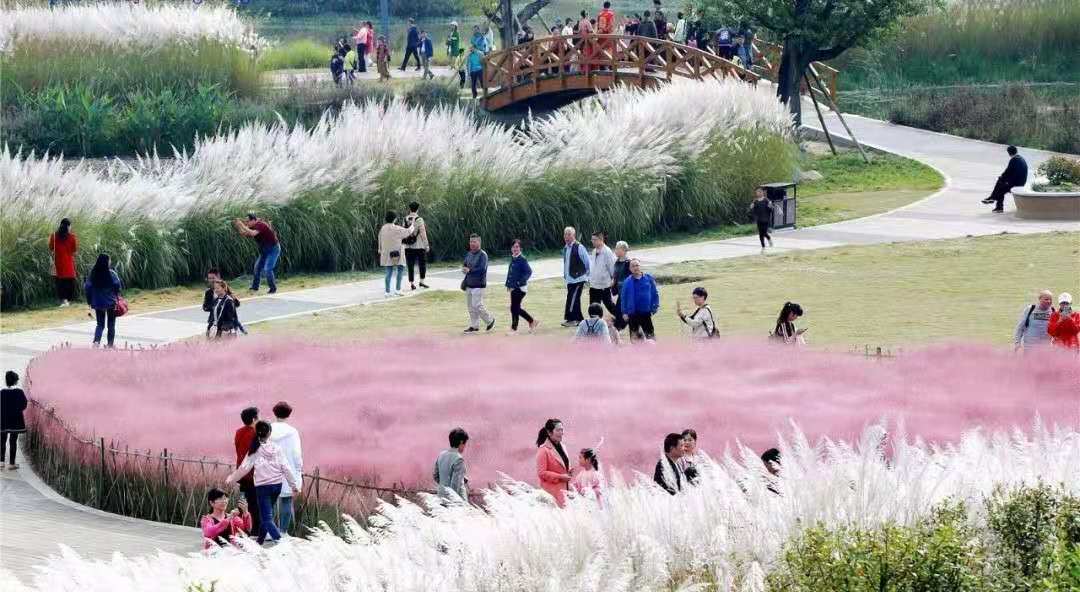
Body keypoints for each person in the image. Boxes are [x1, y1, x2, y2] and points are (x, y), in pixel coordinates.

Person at [225, 420, 299, 545]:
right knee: (266, 515)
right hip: (277, 486)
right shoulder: (277, 448)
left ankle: (281, 543)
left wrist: (231, 478)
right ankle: (259, 541)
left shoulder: (255, 450)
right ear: (269, 433)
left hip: (263, 488)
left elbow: (244, 468)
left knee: (266, 518)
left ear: (256, 433)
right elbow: (285, 467)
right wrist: (294, 485)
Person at [268, 401, 302, 535]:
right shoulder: (293, 432)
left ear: (274, 413)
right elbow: (296, 453)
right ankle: (282, 532)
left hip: (269, 470)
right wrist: (298, 470)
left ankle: (269, 531)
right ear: (288, 414)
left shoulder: (267, 429)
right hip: (288, 470)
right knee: (286, 500)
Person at [233, 213, 280, 294]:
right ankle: (255, 287)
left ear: (254, 220)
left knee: (268, 269)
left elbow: (253, 233)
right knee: (257, 268)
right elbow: (243, 233)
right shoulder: (252, 226)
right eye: (246, 221)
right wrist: (238, 226)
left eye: (248, 221)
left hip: (273, 249)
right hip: (264, 250)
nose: (247, 223)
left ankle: (273, 288)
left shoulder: (260, 225)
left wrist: (242, 225)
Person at [233, 406, 261, 538]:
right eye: (258, 416)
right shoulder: (256, 433)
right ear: (254, 418)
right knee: (255, 503)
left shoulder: (238, 432)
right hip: (253, 474)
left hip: (241, 472)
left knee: (243, 501)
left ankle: (240, 528)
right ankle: (255, 531)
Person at [84, 253, 122, 348]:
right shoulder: (112, 274)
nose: (110, 262)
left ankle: (96, 342)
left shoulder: (93, 274)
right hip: (111, 302)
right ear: (106, 262)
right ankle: (110, 344)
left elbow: (87, 287)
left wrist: (90, 301)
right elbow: (118, 285)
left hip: (98, 302)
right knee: (111, 324)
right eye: (109, 260)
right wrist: (116, 294)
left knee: (100, 324)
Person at [378, 211, 417, 297]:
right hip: (397, 253)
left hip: (386, 253)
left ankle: (387, 292)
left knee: (388, 272)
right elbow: (408, 231)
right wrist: (413, 223)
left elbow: (379, 239)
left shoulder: (383, 228)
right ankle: (398, 289)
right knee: (400, 269)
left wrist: (380, 249)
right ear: (394, 219)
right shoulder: (397, 228)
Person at [462, 234, 496, 334]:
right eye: (471, 241)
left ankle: (490, 321)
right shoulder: (469, 254)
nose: (472, 243)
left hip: (478, 284)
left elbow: (482, 269)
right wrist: (464, 268)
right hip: (469, 284)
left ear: (479, 243)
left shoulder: (483, 255)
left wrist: (469, 270)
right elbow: (465, 264)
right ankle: (474, 326)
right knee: (470, 307)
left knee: (477, 305)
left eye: (474, 242)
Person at [620, 259, 660, 342]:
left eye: (637, 265)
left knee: (651, 337)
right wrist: (624, 312)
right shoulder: (627, 282)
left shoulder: (648, 278)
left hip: (646, 313)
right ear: (630, 269)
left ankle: (654, 353)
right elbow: (623, 298)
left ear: (640, 266)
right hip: (632, 314)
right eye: (633, 266)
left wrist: (655, 307)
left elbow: (655, 294)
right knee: (635, 340)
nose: (635, 268)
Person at [535, 419, 572, 507]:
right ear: (549, 432)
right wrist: (560, 477)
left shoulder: (563, 447)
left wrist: (569, 471)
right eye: (558, 430)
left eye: (562, 430)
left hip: (564, 492)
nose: (561, 432)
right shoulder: (543, 450)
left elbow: (562, 466)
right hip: (551, 495)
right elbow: (541, 473)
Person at [981, 145, 1028, 213]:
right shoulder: (1021, 158)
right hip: (1021, 182)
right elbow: (1011, 173)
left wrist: (1003, 179)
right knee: (1000, 184)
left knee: (1000, 187)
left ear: (1009, 153)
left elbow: (1008, 172)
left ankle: (996, 203)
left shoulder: (1014, 160)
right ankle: (993, 199)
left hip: (1016, 183)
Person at [505, 239, 538, 334]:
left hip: (520, 288)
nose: (515, 249)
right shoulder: (513, 258)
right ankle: (532, 321)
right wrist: (509, 285)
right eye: (513, 247)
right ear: (511, 248)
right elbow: (511, 273)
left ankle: (514, 329)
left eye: (517, 247)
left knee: (514, 308)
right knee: (515, 308)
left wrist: (519, 283)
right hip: (513, 287)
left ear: (520, 248)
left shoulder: (522, 259)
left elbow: (528, 272)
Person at [561, 227, 591, 327]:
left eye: (569, 234)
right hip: (570, 279)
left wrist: (587, 277)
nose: (567, 236)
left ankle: (571, 319)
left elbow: (587, 262)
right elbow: (566, 263)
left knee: (572, 298)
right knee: (575, 299)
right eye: (565, 234)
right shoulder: (565, 248)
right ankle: (579, 319)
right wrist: (565, 275)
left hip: (579, 279)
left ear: (573, 235)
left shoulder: (579, 247)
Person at [588, 231, 618, 319]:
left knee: (609, 305)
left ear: (601, 240)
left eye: (595, 239)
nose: (593, 241)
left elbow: (612, 268)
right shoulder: (594, 251)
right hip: (593, 285)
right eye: (592, 239)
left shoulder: (607, 251)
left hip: (603, 286)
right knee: (593, 307)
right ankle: (593, 324)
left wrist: (613, 281)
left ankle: (621, 318)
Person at [433, 427, 469, 501]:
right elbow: (455, 485)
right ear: (461, 442)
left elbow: (436, 476)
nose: (465, 447)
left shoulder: (441, 455)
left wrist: (444, 484)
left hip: (441, 497)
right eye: (465, 444)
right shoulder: (459, 459)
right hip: (456, 501)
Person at [1, 371, 27, 471]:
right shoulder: (19, 392)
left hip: (3, 420)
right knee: (13, 441)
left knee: (2, 440)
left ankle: (1, 462)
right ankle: (12, 463)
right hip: (15, 421)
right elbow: (24, 405)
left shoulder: (2, 392)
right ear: (16, 381)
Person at [49, 218, 78, 307]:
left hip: (58, 263)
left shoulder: (54, 236)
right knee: (69, 282)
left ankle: (63, 300)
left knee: (60, 282)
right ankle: (67, 300)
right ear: (68, 226)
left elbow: (51, 248)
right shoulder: (72, 237)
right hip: (69, 263)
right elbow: (74, 250)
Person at [403, 202, 431, 290]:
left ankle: (412, 283)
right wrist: (426, 245)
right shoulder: (419, 219)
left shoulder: (405, 219)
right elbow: (423, 233)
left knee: (410, 265)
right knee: (422, 264)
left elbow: (403, 232)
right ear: (417, 209)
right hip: (419, 246)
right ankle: (422, 282)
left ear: (410, 209)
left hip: (408, 246)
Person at [611, 241, 632, 331]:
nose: (615, 250)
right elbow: (616, 276)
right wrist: (613, 284)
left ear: (623, 250)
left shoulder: (629, 263)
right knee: (619, 312)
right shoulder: (617, 262)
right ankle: (619, 326)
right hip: (620, 292)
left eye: (617, 248)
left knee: (621, 312)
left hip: (628, 293)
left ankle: (618, 328)